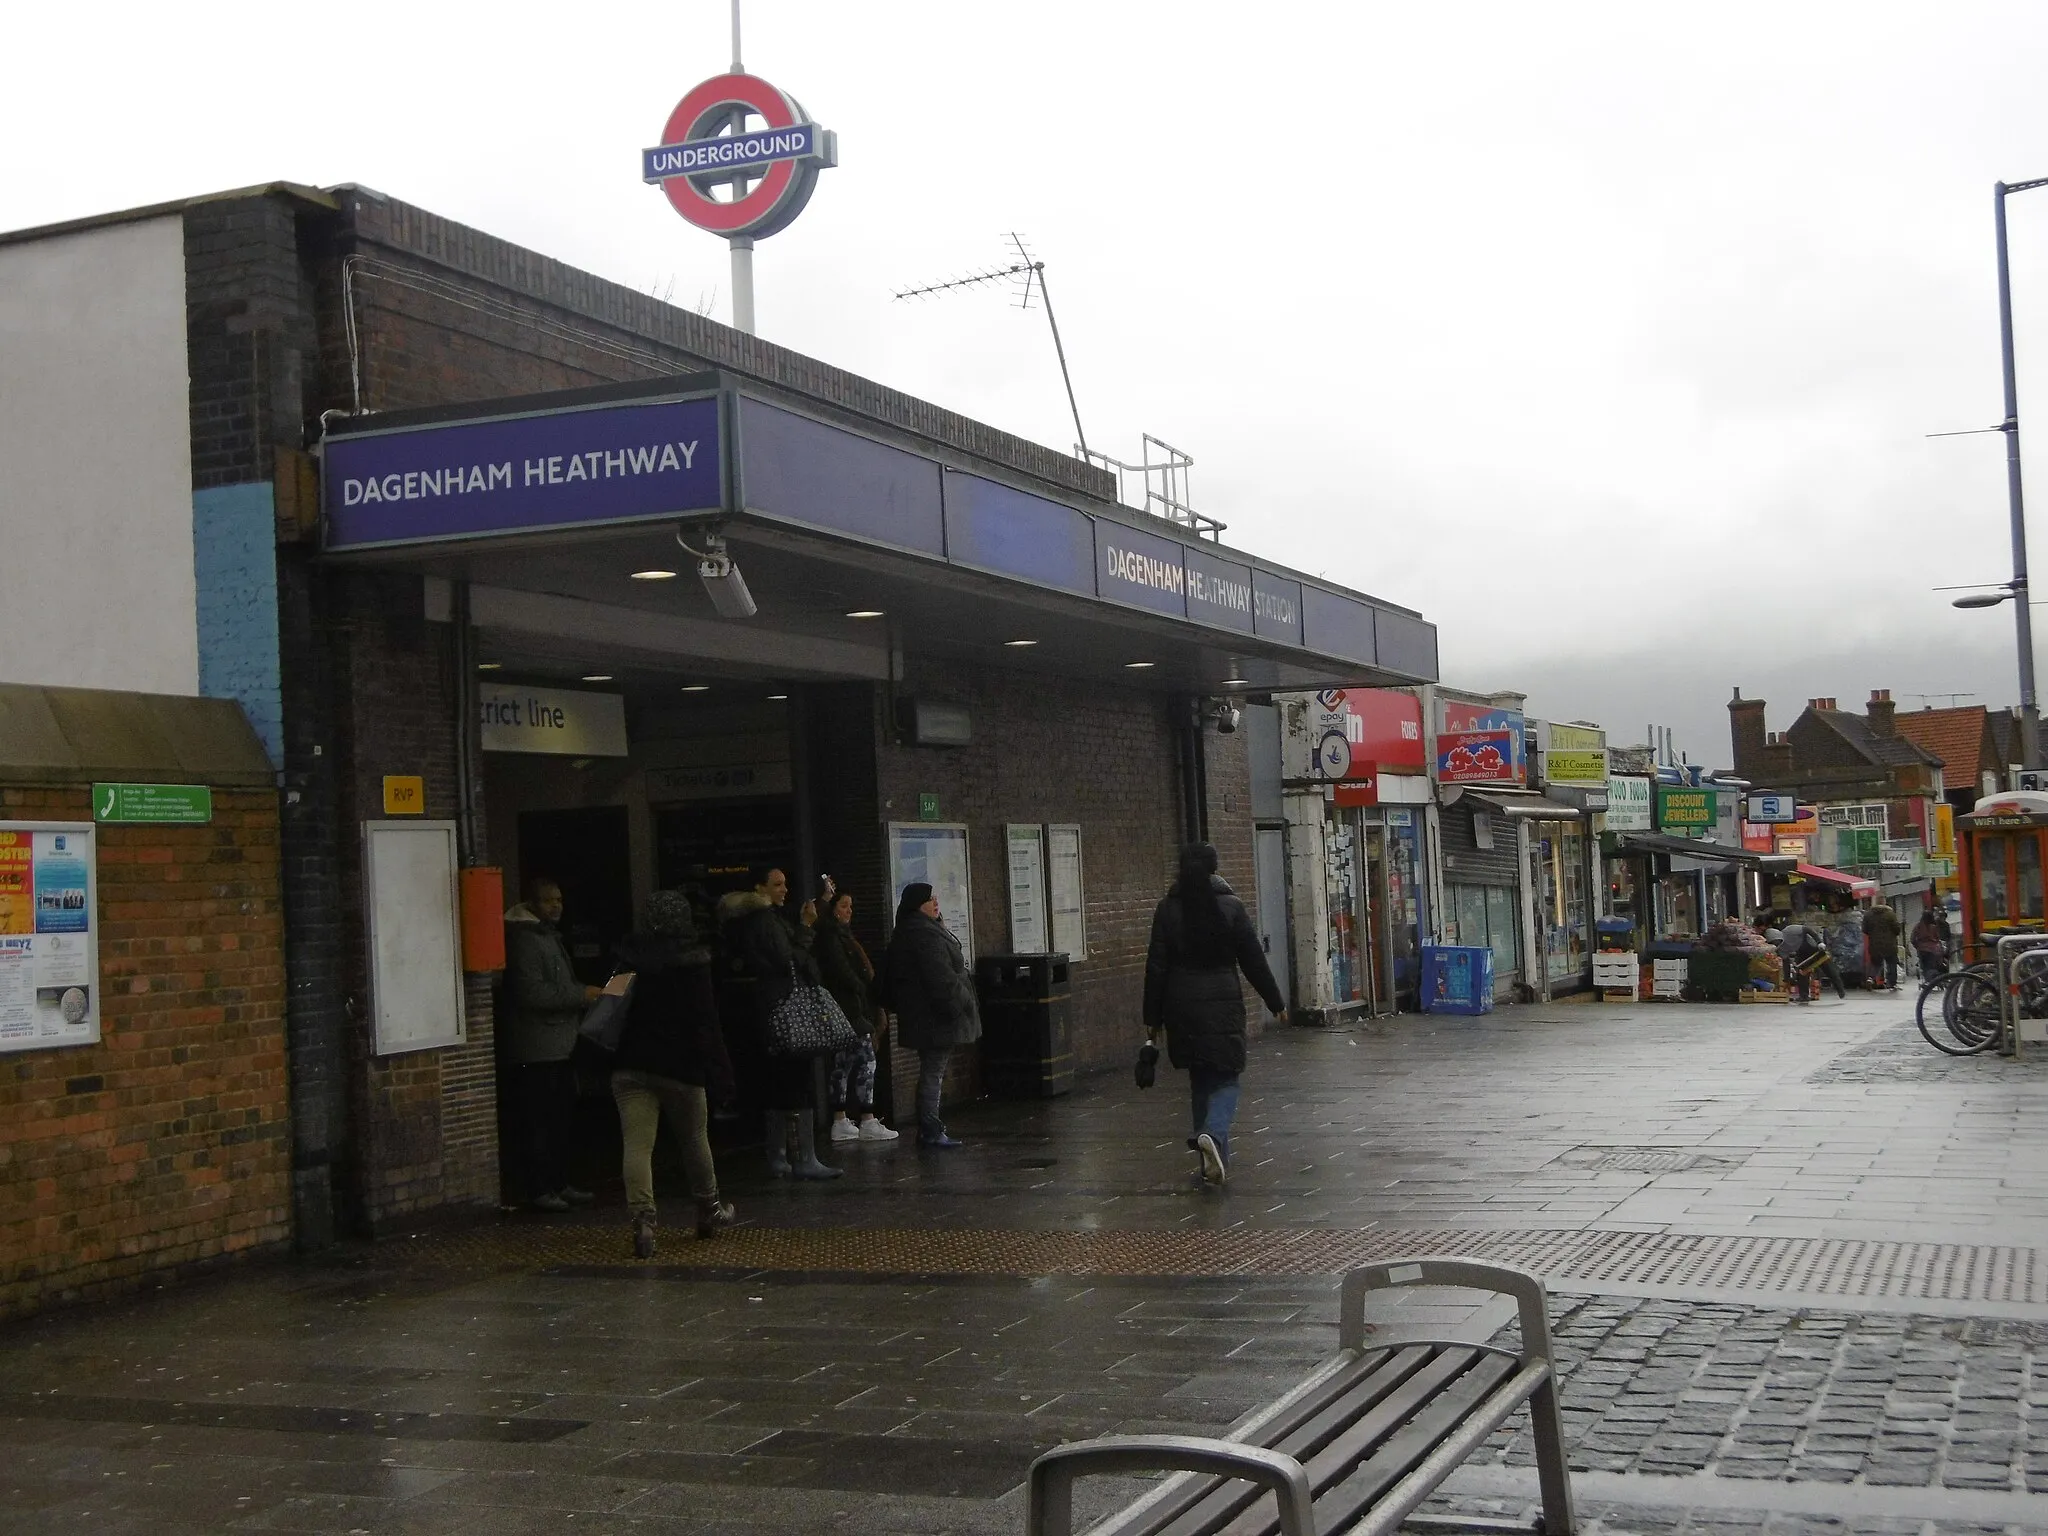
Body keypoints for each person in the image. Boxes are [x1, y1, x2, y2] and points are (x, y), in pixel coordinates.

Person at [1143, 843, 1287, 1187]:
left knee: (1200, 1080)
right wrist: (1275, 1002)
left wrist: (1152, 1019)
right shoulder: (1231, 907)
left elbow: (1156, 968)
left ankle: (1211, 1163)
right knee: (1226, 1079)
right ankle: (1212, 1132)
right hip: (1222, 1004)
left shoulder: (1167, 910)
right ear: (1214, 869)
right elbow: (1253, 959)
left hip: (1180, 1006)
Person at [609, 890, 736, 1258]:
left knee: (637, 1145)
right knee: (694, 1139)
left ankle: (644, 1222)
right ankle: (709, 1211)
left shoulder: (626, 958)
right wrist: (722, 1073)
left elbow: (610, 1003)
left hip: (631, 1065)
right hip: (681, 1068)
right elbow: (706, 1024)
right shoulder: (694, 964)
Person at [717, 865, 842, 1180]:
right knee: (796, 1082)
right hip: (784, 1006)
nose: (784, 890)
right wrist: (805, 928)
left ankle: (778, 1155)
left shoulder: (740, 923)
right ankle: (804, 1157)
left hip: (765, 1007)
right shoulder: (764, 921)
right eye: (777, 884)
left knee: (776, 1083)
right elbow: (788, 959)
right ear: (759, 889)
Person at [504, 877, 602, 1211]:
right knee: (540, 1121)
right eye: (548, 900)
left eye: (559, 899)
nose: (556, 906)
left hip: (560, 1042)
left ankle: (558, 1182)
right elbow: (530, 992)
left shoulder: (547, 936)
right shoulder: (525, 941)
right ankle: (540, 1188)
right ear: (531, 903)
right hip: (538, 1046)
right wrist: (581, 995)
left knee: (559, 1118)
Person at [884, 882, 980, 1149]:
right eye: (930, 899)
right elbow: (941, 977)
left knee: (932, 1070)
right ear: (918, 905)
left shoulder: (920, 929)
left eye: (936, 897)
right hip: (935, 1016)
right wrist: (961, 1003)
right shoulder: (923, 934)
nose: (935, 902)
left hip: (927, 1015)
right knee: (933, 1072)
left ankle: (930, 1126)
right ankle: (930, 1128)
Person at [814, 891, 897, 1143]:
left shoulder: (839, 935)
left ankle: (841, 1119)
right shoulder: (831, 937)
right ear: (833, 909)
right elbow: (842, 971)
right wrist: (862, 989)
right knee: (866, 1060)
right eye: (844, 905)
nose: (849, 911)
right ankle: (866, 1118)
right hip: (849, 1009)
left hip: (848, 1009)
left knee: (844, 1063)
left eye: (851, 906)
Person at [1863, 900, 1903, 991]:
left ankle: (1870, 978)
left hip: (1874, 944)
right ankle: (1892, 984)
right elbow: (1897, 929)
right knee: (1891, 963)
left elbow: (1865, 930)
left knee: (1876, 964)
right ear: (1884, 902)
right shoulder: (1890, 914)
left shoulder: (1868, 915)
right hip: (1890, 944)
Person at [1828, 901, 1867, 992]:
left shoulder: (1842, 927)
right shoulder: (1858, 928)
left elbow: (1835, 938)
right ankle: (1855, 981)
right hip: (1855, 953)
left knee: (1843, 969)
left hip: (1843, 954)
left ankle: (1846, 982)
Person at [1912, 906, 1950, 982]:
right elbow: (1937, 938)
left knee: (1925, 966)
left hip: (1922, 950)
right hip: (1934, 950)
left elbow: (1913, 938)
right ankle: (1938, 977)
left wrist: (1917, 946)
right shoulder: (1934, 927)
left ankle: (1928, 979)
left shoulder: (1918, 926)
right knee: (1936, 964)